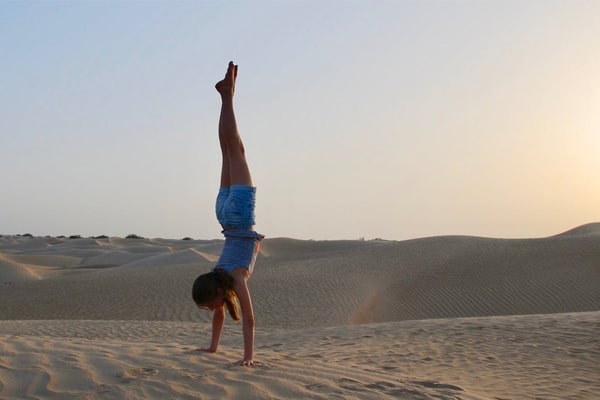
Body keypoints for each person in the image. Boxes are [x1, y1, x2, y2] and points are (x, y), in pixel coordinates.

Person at [192, 61, 264, 367]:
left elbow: (249, 319)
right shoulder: (218, 274)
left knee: (235, 148)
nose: (213, 311)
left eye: (210, 306)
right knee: (227, 149)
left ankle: (227, 98)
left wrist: (248, 358)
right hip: (222, 214)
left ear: (219, 292)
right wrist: (212, 349)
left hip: (237, 214)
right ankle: (226, 97)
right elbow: (227, 316)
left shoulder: (234, 278)